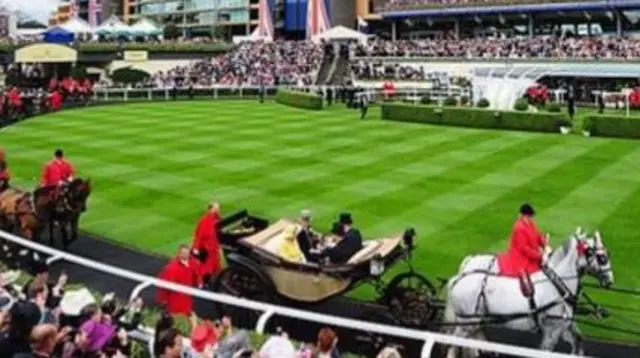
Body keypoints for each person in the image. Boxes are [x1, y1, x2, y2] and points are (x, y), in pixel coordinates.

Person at [498, 204, 549, 278]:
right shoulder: (519, 228)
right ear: (524, 216)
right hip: (521, 259)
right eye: (529, 217)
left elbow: (537, 235)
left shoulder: (530, 223)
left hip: (531, 254)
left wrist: (544, 243)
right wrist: (539, 256)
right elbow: (524, 249)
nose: (531, 218)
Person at [156, 245, 202, 316]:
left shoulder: (193, 263)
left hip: (186, 297)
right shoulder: (171, 267)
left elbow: (197, 273)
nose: (186, 254)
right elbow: (163, 284)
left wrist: (199, 282)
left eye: (187, 253)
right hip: (175, 300)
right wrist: (162, 300)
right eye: (183, 253)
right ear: (179, 253)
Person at [191, 202, 222, 284]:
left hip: (214, 247)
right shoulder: (205, 220)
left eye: (218, 208)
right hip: (207, 248)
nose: (217, 210)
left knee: (214, 266)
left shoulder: (217, 218)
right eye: (215, 208)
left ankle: (208, 281)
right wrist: (196, 248)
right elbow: (199, 235)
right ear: (210, 209)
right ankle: (202, 282)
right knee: (206, 267)